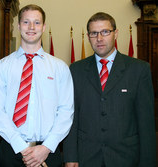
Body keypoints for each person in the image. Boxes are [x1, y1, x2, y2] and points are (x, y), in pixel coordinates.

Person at [63, 12, 156, 167]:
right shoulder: (75, 70)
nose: (99, 38)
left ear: (116, 33)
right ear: (88, 36)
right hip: (86, 158)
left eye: (105, 32)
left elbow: (146, 124)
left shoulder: (139, 70)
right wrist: (70, 156)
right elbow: (71, 117)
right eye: (94, 33)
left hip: (126, 158)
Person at [0, 4, 74, 167]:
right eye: (26, 22)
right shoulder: (1, 67)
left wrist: (46, 147)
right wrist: (22, 147)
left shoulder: (59, 67)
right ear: (19, 26)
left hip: (48, 152)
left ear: (43, 27)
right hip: (11, 151)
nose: (31, 27)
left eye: (36, 22)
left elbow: (66, 111)